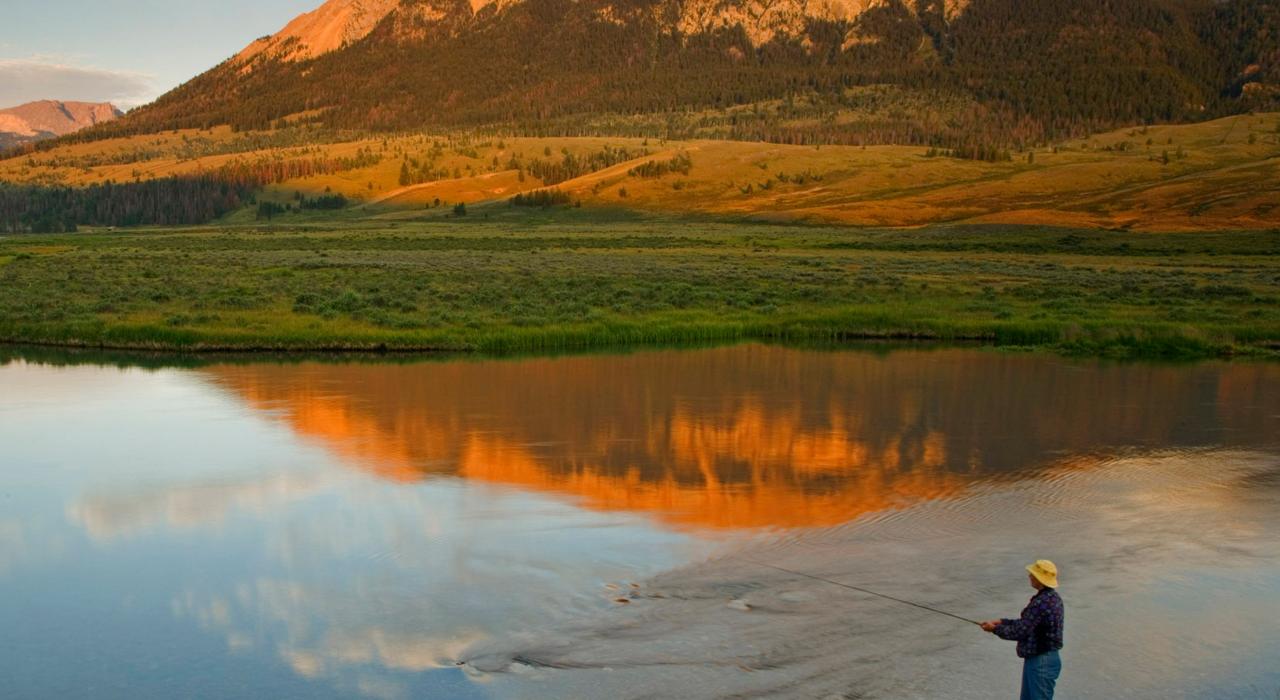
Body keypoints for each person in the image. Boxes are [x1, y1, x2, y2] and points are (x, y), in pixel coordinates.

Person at [981, 560, 1064, 700]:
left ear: (1040, 579)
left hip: (1041, 661)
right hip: (1041, 658)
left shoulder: (1041, 603)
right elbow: (1029, 624)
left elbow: (1020, 632)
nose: (1029, 576)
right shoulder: (1052, 598)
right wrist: (1003, 622)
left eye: (1032, 574)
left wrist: (994, 629)